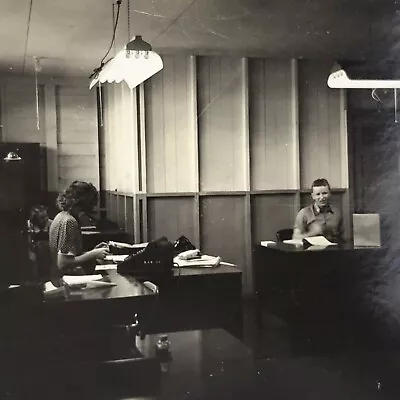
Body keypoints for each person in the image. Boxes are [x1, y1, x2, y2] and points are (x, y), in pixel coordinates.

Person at [49, 181, 109, 285]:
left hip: (56, 278)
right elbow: (63, 263)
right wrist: (93, 254)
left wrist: (93, 252)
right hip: (66, 283)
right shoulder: (69, 222)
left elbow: (68, 256)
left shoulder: (60, 216)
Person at [292, 178, 344, 243]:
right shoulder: (304, 213)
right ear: (313, 196)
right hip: (311, 251)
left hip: (333, 250)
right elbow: (295, 238)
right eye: (318, 194)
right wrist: (312, 233)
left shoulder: (337, 213)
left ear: (330, 194)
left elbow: (342, 238)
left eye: (324, 193)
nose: (322, 197)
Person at [27, 205, 53, 280]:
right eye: (42, 218)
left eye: (46, 216)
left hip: (49, 252)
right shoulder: (28, 226)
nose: (46, 219)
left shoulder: (51, 224)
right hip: (33, 252)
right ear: (35, 219)